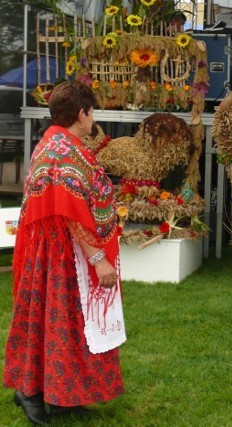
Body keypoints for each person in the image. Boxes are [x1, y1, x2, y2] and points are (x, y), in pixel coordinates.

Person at [3, 81, 126, 425]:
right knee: (53, 320)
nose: (93, 119)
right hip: (59, 254)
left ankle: (59, 393)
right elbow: (69, 211)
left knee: (64, 323)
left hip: (56, 250)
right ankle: (30, 391)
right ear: (82, 114)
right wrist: (98, 259)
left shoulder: (56, 142)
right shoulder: (63, 150)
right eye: (92, 112)